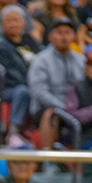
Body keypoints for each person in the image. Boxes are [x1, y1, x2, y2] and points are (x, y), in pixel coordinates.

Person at [28, 18, 86, 149]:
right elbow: (39, 91)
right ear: (50, 36)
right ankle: (48, 160)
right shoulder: (41, 60)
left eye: (67, 32)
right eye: (59, 33)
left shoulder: (81, 60)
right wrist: (62, 107)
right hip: (47, 107)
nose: (63, 37)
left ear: (74, 36)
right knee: (52, 114)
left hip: (75, 106)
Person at [0, 5, 41, 142]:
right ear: (2, 24)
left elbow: (43, 56)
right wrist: (32, 84)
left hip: (31, 84)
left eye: (16, 20)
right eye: (9, 21)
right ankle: (13, 130)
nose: (13, 24)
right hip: (7, 88)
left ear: (23, 23)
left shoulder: (29, 41)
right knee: (23, 91)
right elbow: (10, 74)